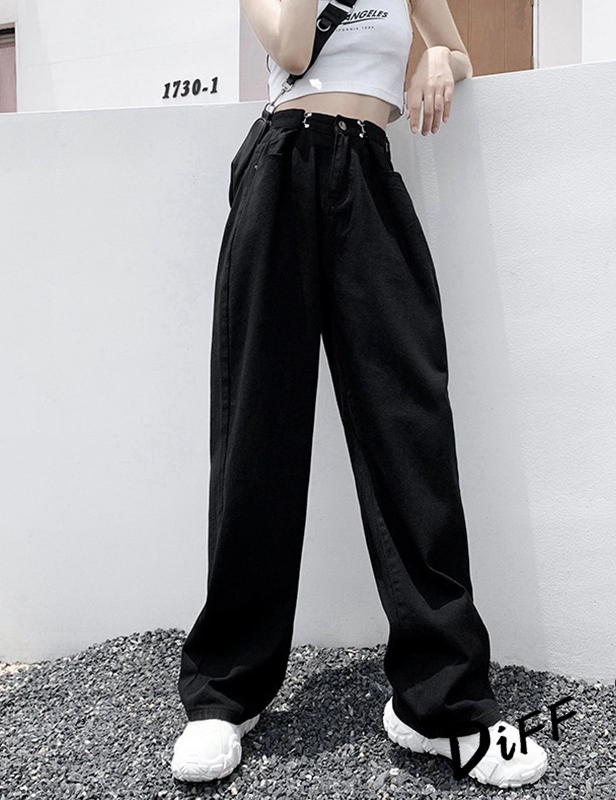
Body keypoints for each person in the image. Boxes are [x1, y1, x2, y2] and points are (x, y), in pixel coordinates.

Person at [171, 0, 548, 789]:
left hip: (369, 174)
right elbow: (292, 48)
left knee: (411, 427)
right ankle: (224, 693)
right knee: (257, 434)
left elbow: (456, 53)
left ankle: (440, 705)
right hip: (279, 169)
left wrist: (439, 58)